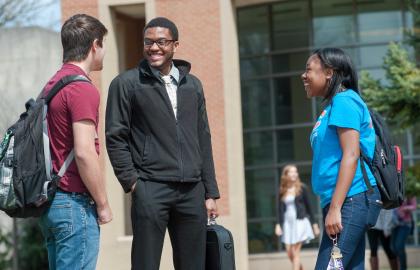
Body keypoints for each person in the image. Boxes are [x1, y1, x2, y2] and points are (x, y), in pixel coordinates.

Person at [105, 17, 220, 270]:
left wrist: (210, 192)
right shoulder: (126, 84)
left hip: (192, 191)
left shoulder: (193, 86)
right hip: (150, 188)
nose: (153, 48)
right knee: (145, 265)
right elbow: (115, 137)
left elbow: (203, 137)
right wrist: (134, 183)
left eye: (161, 42)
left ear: (175, 45)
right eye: (148, 42)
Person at [38, 14, 113, 270]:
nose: (103, 51)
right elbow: (83, 152)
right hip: (74, 203)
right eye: (103, 44)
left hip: (51, 204)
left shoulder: (53, 84)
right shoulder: (82, 89)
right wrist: (103, 204)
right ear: (95, 45)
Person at [301, 47, 382, 269]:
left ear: (329, 72)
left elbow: (351, 154)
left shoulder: (345, 101)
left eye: (309, 69)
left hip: (350, 200)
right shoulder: (331, 107)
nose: (304, 75)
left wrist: (336, 208)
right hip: (342, 201)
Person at [275, 164, 320, 270]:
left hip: (300, 222)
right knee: (289, 253)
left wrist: (314, 225)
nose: (295, 173)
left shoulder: (302, 188)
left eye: (296, 171)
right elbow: (279, 209)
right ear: (286, 175)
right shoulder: (282, 190)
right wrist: (278, 224)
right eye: (291, 171)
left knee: (295, 253)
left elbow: (309, 207)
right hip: (287, 223)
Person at [391, 197, 417, 270]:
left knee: (399, 246)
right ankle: (399, 265)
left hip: (405, 224)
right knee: (393, 247)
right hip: (394, 224)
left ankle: (403, 268)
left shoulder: (409, 192)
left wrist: (404, 208)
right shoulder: (394, 190)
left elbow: (414, 206)